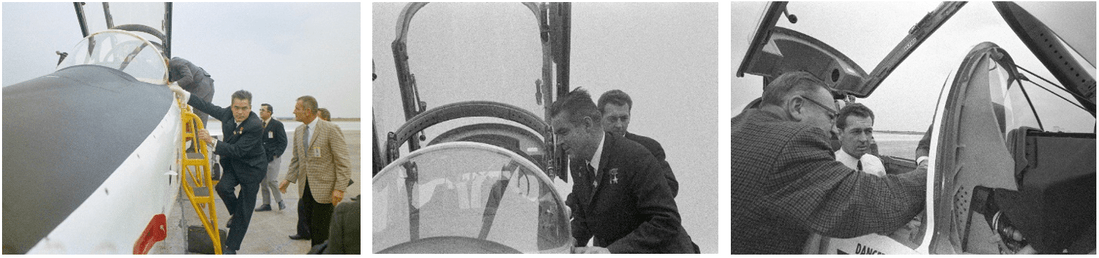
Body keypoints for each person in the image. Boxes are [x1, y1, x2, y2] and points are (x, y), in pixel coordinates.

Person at [729, 71, 926, 253]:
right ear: (797, 107)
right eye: (830, 116)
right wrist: (928, 173)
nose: (833, 130)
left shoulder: (735, 129)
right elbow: (865, 201)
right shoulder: (791, 142)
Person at [552, 88, 696, 253]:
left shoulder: (636, 157)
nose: (559, 142)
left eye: (563, 132)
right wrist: (572, 240)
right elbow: (585, 216)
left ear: (587, 125)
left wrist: (612, 252)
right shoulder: (578, 164)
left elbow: (666, 221)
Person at [169, 86, 265, 254]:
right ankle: (237, 215)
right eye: (236, 107)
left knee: (246, 206)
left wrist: (211, 141)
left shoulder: (255, 125)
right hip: (234, 164)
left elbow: (238, 151)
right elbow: (208, 107)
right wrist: (184, 93)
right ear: (231, 106)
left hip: (252, 168)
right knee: (222, 188)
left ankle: (231, 248)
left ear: (250, 108)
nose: (240, 112)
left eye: (244, 108)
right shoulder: (228, 114)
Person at [279, 96, 352, 247]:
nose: (294, 111)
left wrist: (339, 188)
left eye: (297, 109)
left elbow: (343, 162)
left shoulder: (330, 129)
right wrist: (288, 179)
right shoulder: (299, 131)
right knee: (312, 228)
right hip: (305, 188)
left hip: (325, 190)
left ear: (308, 111)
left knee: (322, 231)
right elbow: (297, 159)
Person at [596, 89, 678, 196]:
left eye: (624, 118)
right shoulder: (592, 150)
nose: (619, 125)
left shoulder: (649, 147)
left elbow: (670, 186)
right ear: (599, 118)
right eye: (613, 119)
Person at [834, 103, 886, 177]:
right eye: (856, 132)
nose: (863, 139)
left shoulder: (876, 164)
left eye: (868, 131)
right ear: (840, 134)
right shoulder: (830, 168)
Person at [255, 103, 288, 211]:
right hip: (262, 157)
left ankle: (280, 201)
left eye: (263, 110)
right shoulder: (258, 125)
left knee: (272, 180)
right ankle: (266, 204)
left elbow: (283, 142)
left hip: (273, 157)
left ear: (269, 112)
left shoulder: (277, 124)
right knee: (263, 181)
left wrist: (276, 154)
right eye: (260, 110)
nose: (260, 111)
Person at [169, 57, 216, 125]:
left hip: (204, 87)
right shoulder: (172, 67)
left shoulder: (176, 63)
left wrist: (175, 84)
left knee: (200, 116)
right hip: (200, 88)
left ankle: (200, 135)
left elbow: (188, 78)